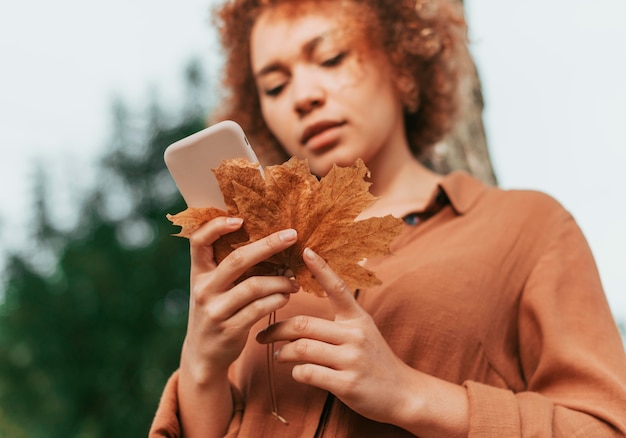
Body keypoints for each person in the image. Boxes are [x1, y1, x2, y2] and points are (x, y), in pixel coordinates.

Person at [150, 0, 626, 436]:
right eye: (275, 85)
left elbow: (606, 427)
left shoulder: (528, 226)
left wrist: (411, 395)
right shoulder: (260, 260)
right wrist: (201, 366)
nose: (303, 96)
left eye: (332, 58)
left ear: (401, 61)